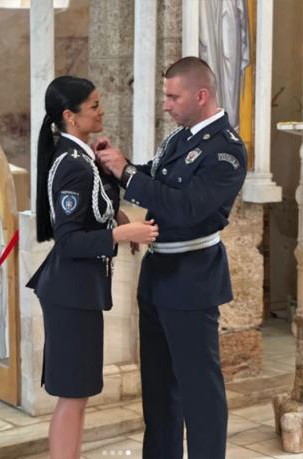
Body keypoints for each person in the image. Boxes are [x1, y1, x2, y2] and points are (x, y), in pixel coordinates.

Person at [96, 57, 247, 458]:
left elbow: (186, 208)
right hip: (158, 274)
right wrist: (116, 167)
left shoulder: (226, 151)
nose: (166, 104)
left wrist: (128, 174)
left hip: (192, 278)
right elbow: (157, 177)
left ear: (201, 95)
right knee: (159, 390)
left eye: (173, 96)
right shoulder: (181, 138)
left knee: (200, 391)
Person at [26, 76, 159, 459]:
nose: (102, 111)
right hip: (70, 293)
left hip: (80, 291)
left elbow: (93, 208)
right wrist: (123, 232)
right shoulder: (72, 165)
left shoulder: (82, 157)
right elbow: (68, 241)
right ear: (70, 115)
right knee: (73, 394)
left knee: (79, 392)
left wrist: (118, 216)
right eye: (94, 106)